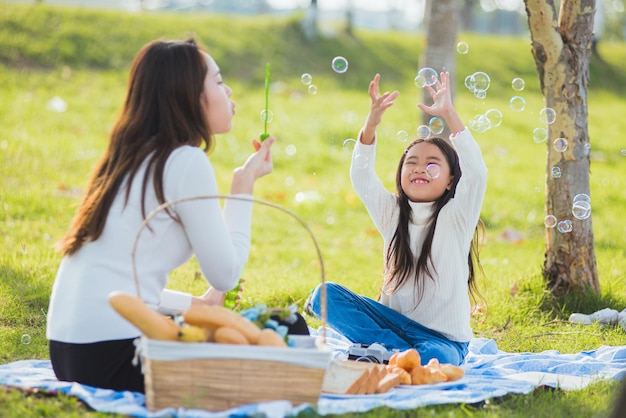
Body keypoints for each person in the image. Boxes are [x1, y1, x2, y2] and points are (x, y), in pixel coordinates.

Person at [46, 38, 276, 393]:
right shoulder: (185, 161)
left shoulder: (128, 158)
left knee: (251, 334)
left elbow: (119, 280)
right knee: (284, 332)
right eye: (217, 81)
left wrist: (198, 303)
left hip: (69, 354)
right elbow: (226, 273)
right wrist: (243, 184)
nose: (228, 89)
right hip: (118, 355)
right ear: (188, 95)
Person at [308, 72, 487, 366]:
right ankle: (393, 353)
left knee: (435, 357)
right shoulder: (392, 213)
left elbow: (478, 173)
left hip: (442, 340)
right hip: (392, 324)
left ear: (450, 180)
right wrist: (371, 124)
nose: (419, 169)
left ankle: (386, 352)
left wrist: (449, 114)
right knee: (323, 296)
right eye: (411, 163)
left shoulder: (456, 216)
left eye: (432, 165)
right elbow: (362, 177)